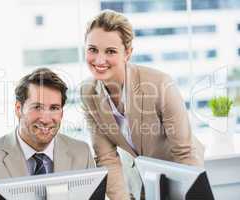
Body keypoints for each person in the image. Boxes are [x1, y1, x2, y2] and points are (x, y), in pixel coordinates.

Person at [80, 10, 204, 200]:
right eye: (92, 49)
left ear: (127, 53)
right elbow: (107, 159)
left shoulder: (160, 84)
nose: (99, 60)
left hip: (180, 173)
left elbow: (185, 153)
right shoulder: (88, 92)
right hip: (142, 180)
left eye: (110, 51)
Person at [0, 68, 95, 200]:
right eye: (37, 107)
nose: (46, 119)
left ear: (61, 113)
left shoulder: (82, 154)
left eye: (54, 108)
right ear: (18, 109)